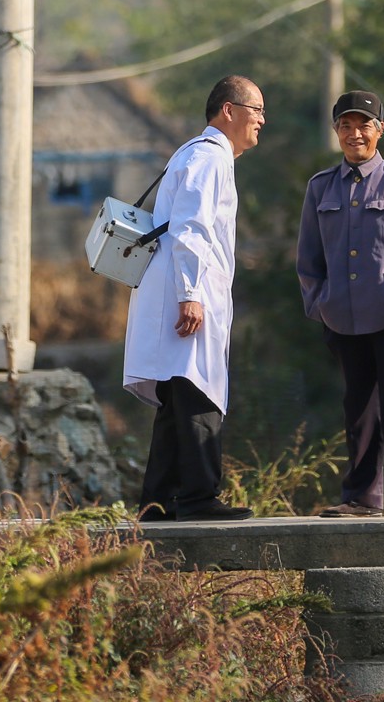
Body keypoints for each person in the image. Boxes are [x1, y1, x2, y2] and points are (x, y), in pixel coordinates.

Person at [297, 90, 384, 518]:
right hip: (341, 319)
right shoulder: (320, 187)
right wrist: (320, 304)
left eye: (363, 125)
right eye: (345, 125)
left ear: (380, 129)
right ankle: (361, 499)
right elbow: (309, 259)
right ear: (336, 131)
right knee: (359, 414)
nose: (354, 133)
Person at [125, 75, 263, 522]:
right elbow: (192, 228)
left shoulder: (194, 152)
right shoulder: (209, 158)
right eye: (255, 109)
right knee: (196, 390)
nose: (262, 120)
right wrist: (191, 294)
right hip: (187, 290)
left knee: (178, 393)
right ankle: (199, 497)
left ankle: (158, 501)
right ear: (228, 111)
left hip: (179, 288)